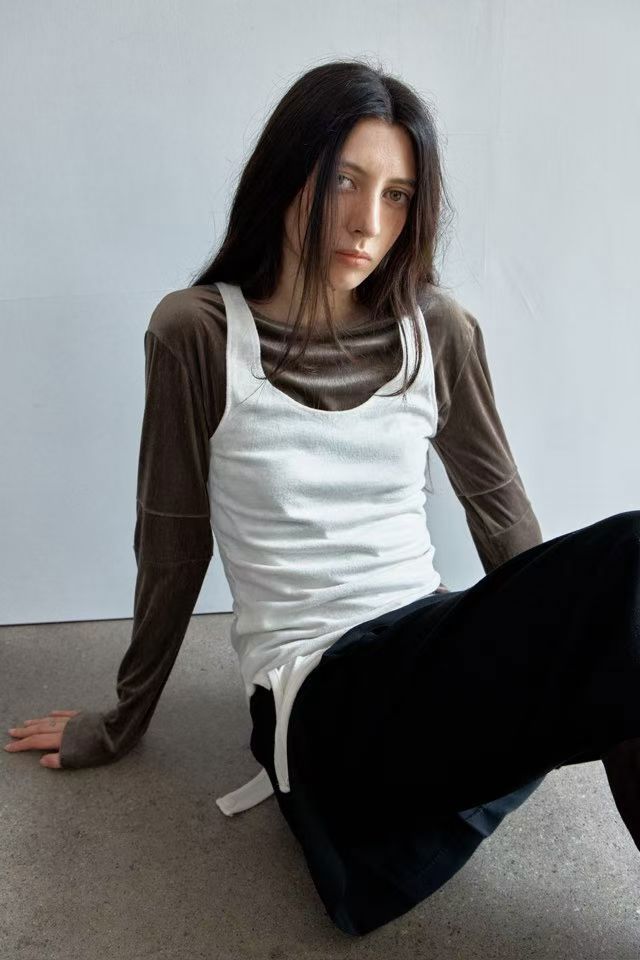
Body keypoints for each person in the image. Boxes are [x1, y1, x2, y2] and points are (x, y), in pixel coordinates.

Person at [6, 58, 640, 938]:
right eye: (343, 180)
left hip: (428, 648)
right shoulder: (199, 332)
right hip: (320, 694)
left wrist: (550, 640)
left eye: (397, 195)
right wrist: (119, 722)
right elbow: (173, 548)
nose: (368, 221)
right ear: (286, 174)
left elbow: (502, 516)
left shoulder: (437, 329)